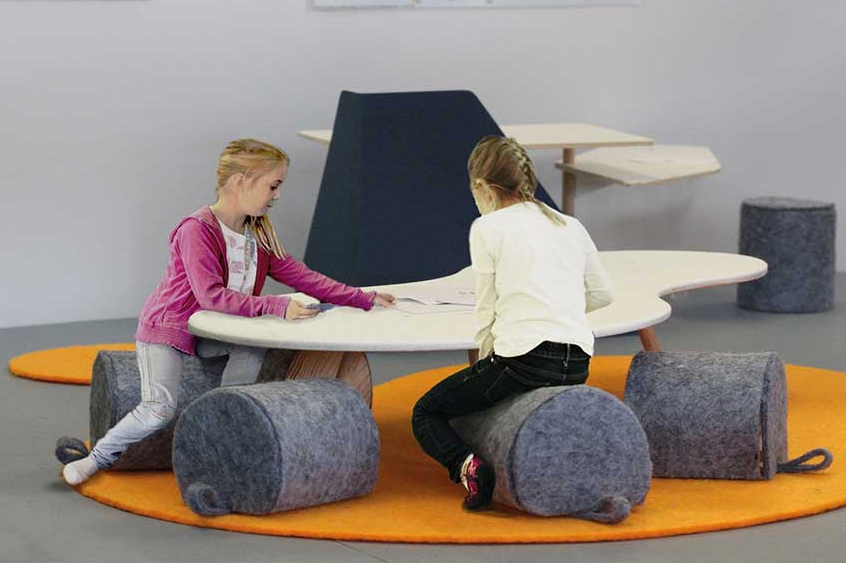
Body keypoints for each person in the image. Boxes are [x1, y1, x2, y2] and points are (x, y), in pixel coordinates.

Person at [61, 138, 394, 486]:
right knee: (158, 409)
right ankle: (96, 458)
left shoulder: (258, 233)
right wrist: (277, 306)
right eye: (273, 185)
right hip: (169, 330)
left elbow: (302, 276)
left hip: (212, 331)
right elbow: (211, 296)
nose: (277, 195)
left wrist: (361, 297)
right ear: (240, 182)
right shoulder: (197, 230)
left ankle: (224, 418)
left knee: (252, 345)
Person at [411, 136, 615, 510]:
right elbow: (604, 295)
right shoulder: (570, 225)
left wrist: (483, 363)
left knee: (426, 412)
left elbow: (486, 309)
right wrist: (560, 309)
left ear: (481, 187)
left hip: (524, 360)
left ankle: (468, 467)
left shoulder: (487, 227)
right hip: (578, 361)